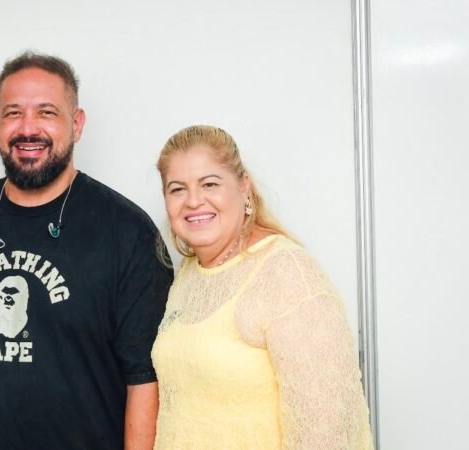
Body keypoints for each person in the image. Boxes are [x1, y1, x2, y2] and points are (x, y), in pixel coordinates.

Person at [0, 51, 173, 450]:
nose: (28, 128)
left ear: (76, 123)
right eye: (13, 113)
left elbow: (145, 379)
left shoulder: (127, 233)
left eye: (46, 113)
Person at [151, 125, 374, 449]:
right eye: (177, 189)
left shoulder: (287, 273)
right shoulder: (190, 273)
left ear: (244, 188)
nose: (193, 201)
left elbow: (329, 432)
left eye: (209, 183)